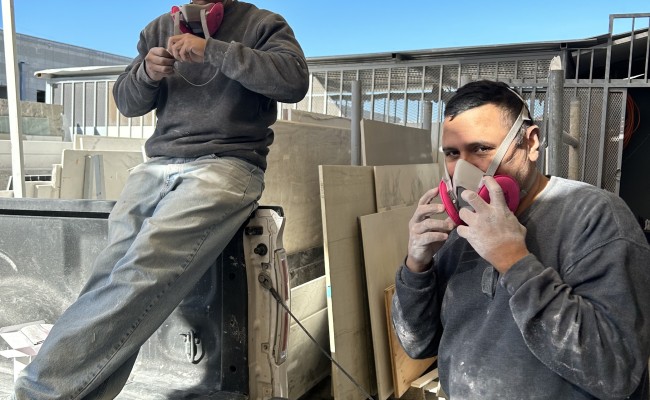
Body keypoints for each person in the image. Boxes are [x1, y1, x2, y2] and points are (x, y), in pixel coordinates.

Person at [11, 0, 308, 398]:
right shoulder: (156, 29)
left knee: (142, 268)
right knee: (109, 276)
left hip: (228, 164)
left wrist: (212, 50)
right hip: (158, 165)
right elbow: (128, 102)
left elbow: (294, 82)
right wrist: (146, 73)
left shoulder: (262, 23)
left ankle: (39, 392)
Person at [392, 80, 650, 399]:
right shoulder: (462, 231)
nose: (462, 170)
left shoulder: (597, 217)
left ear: (530, 143)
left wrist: (514, 261)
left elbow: (615, 372)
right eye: (452, 153)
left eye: (481, 149)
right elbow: (418, 345)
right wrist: (417, 268)